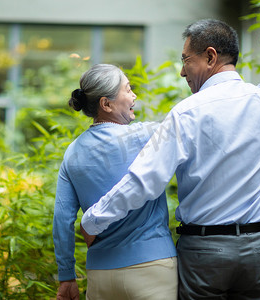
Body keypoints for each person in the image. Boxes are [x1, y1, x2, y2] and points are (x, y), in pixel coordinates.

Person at [81, 19, 260, 299]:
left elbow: (145, 180)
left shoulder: (187, 112)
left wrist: (93, 221)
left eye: (185, 60)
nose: (181, 72)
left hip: (205, 254)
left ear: (210, 57)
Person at [52, 64, 178, 300]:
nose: (134, 96)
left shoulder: (72, 152)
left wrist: (66, 276)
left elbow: (62, 220)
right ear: (106, 104)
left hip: (101, 275)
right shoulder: (147, 136)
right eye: (128, 89)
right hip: (152, 267)